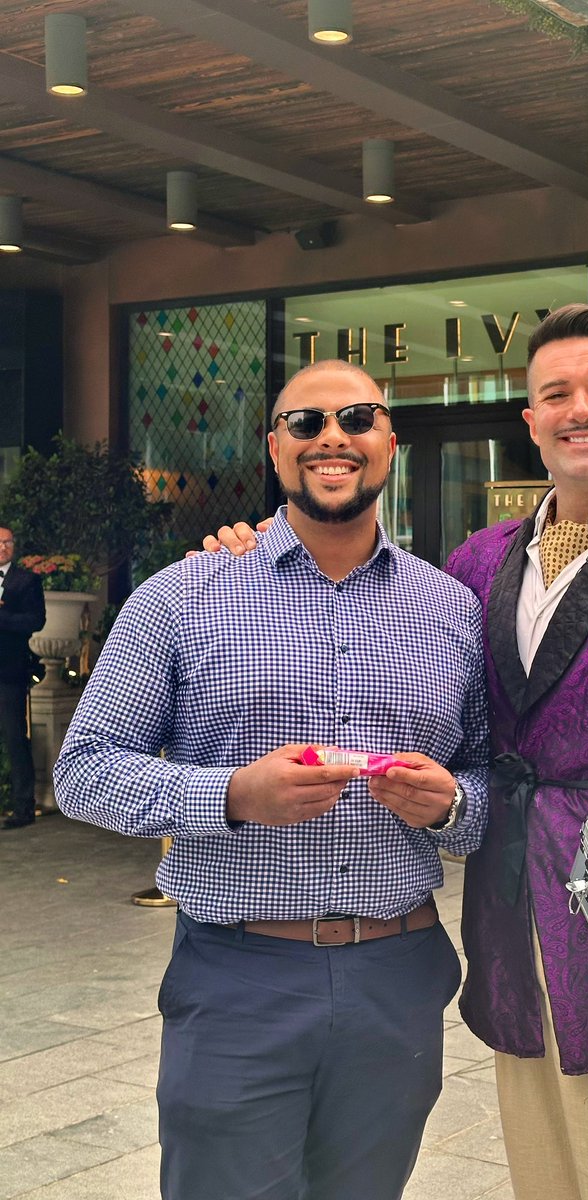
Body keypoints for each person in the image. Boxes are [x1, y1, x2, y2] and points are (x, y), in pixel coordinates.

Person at [205, 306, 588, 1200]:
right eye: (555, 395)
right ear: (529, 421)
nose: (581, 410)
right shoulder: (478, 562)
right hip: (513, 933)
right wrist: (253, 548)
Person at [53, 360, 489, 1200]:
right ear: (274, 448)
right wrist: (227, 797)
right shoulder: (182, 596)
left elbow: (488, 782)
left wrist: (454, 806)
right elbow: (84, 771)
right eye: (305, 421)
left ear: (389, 443)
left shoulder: (451, 609)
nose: (333, 435)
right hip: (238, 974)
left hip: (396, 976)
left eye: (358, 418)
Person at [0, 526, 45, 830]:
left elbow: (36, 620)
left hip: (10, 670)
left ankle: (23, 807)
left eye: (7, 542)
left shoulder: (26, 580)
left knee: (15, 738)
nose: (3, 547)